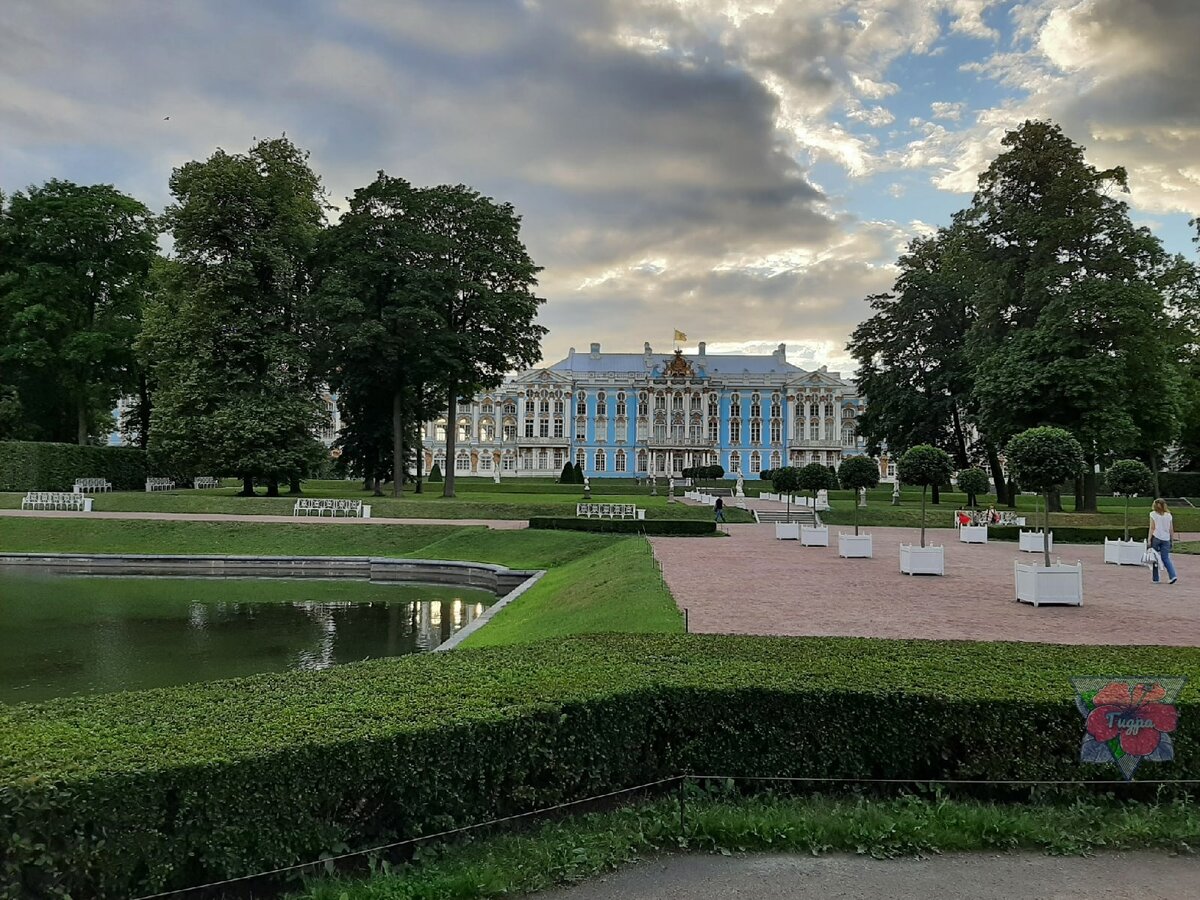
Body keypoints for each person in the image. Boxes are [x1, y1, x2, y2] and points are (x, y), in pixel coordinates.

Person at [1148, 498, 1178, 585]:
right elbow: (1171, 529)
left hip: (1156, 537)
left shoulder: (1153, 514)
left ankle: (1156, 578)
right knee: (1166, 558)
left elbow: (1152, 528)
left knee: (1154, 558)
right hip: (1166, 538)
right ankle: (1172, 575)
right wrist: (1172, 540)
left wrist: (1149, 539)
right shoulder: (1168, 515)